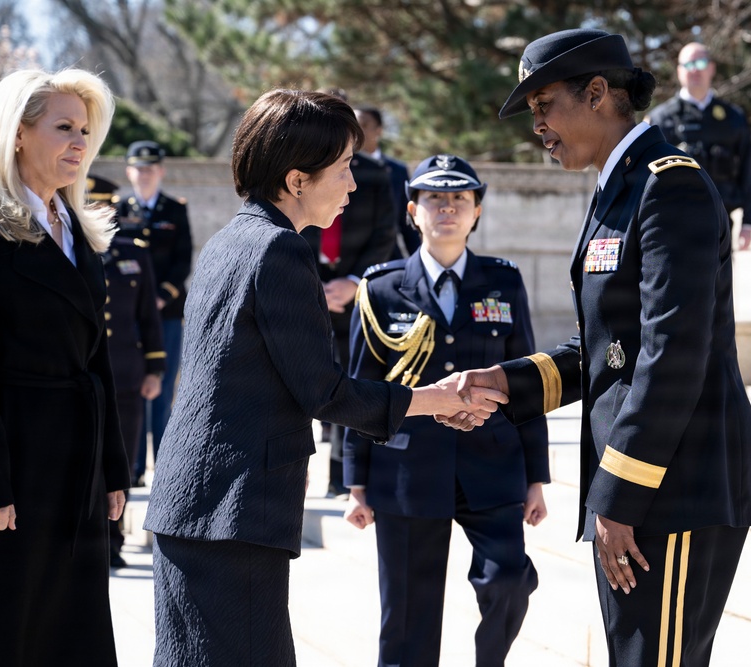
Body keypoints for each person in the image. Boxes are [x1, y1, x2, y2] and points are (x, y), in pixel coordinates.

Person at [142, 89, 507, 667]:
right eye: (343, 169)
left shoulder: (229, 241)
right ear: (296, 180)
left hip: (195, 507)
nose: (353, 185)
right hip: (233, 515)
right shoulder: (279, 252)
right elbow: (324, 391)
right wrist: (433, 399)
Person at [451, 28, 751, 666]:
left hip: (675, 487)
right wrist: (507, 382)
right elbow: (606, 347)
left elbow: (672, 352)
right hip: (643, 489)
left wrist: (618, 494)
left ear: (598, 93)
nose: (538, 127)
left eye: (544, 106)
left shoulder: (668, 185)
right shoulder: (615, 187)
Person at [0, 68, 130, 666]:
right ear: (16, 134)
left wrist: (114, 469)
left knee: (66, 630)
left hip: (74, 466)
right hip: (8, 466)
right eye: (63, 127)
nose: (79, 143)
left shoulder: (77, 232)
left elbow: (97, 362)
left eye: (85, 130)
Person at [343, 154, 550, 667]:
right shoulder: (380, 288)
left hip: (494, 466)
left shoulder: (504, 282)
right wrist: (354, 481)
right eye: (435, 199)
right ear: (412, 211)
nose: (447, 209)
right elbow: (360, 389)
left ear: (477, 211)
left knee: (509, 579)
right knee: (407, 618)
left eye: (460, 198)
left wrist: (537, 477)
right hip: (407, 471)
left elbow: (526, 383)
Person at [300, 112, 398, 497]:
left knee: (351, 384)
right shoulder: (301, 170)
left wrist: (354, 283)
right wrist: (314, 284)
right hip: (310, 292)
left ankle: (341, 476)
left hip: (356, 298)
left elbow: (384, 235)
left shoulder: (372, 176)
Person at [89, 173, 165, 568]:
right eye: (88, 205)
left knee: (123, 461)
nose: (96, 212)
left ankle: (114, 540)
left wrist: (155, 369)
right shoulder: (63, 249)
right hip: (81, 377)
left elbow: (148, 319)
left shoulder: (133, 252)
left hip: (126, 373)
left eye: (102, 205)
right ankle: (87, 538)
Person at [115, 140, 192, 486]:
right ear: (129, 171)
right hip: (128, 317)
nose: (144, 175)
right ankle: (133, 468)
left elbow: (183, 260)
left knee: (160, 386)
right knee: (131, 386)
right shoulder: (116, 209)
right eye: (138, 168)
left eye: (150, 168)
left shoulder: (174, 210)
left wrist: (159, 298)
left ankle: (164, 466)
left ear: (160, 171)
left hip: (167, 312)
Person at [646, 42, 751, 250]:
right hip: (673, 227)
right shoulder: (660, 119)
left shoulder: (733, 117)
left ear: (711, 68)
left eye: (700, 62)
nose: (695, 69)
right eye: (688, 64)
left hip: (720, 227)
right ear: (679, 71)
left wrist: (749, 221)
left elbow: (746, 170)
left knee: (719, 282)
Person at [354, 105, 418, 259]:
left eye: (363, 125)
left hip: (387, 258)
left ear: (379, 130)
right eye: (353, 125)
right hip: (348, 263)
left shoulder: (396, 170)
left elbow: (406, 222)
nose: (356, 131)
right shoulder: (339, 169)